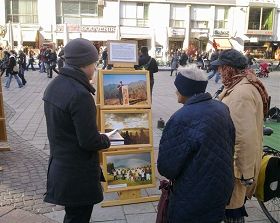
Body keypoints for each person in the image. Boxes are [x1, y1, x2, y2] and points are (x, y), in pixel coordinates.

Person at [43, 38, 111, 223]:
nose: (95, 68)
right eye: (94, 64)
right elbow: (88, 141)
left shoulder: (55, 85)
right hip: (77, 173)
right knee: (78, 217)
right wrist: (106, 139)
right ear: (84, 64)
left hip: (61, 167)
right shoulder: (80, 95)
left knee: (73, 216)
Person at [157, 65, 235, 223]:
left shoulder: (181, 118)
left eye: (177, 88)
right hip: (221, 187)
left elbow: (167, 167)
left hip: (193, 193)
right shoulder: (221, 108)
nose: (175, 92)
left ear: (185, 90)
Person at [211, 49, 269, 223]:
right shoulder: (239, 85)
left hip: (235, 168)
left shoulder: (240, 94)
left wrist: (243, 172)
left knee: (233, 211)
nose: (219, 71)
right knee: (231, 210)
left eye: (221, 67)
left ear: (230, 68)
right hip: (233, 165)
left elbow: (242, 137)